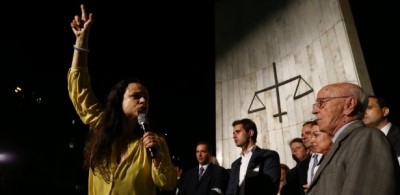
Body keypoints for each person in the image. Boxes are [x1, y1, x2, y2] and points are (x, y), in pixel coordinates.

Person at [68, 4, 176, 194]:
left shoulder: (154, 142)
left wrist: (157, 156)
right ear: (118, 101)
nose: (143, 101)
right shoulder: (101, 127)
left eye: (146, 98)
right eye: (136, 96)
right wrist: (81, 42)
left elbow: (166, 183)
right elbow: (80, 91)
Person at [306, 82, 400, 195]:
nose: (314, 110)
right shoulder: (341, 144)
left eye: (321, 102)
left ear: (349, 105)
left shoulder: (367, 138)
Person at [226, 118, 281, 195]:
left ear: (250, 133)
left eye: (238, 132)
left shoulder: (267, 156)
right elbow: (230, 191)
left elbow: (270, 187)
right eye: (233, 133)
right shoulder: (235, 164)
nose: (234, 136)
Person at [363, 95, 400, 164]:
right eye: (361, 109)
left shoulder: (397, 135)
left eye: (369, 107)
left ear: (385, 111)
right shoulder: (362, 142)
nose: (363, 112)